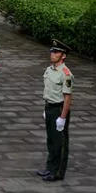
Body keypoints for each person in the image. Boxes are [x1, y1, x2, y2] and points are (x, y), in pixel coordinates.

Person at [38, 39, 73, 181]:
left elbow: (67, 98)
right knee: (51, 140)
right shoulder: (49, 70)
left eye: (56, 52)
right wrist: (45, 108)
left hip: (59, 109)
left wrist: (63, 117)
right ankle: (49, 167)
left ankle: (58, 172)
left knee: (60, 142)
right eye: (52, 51)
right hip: (50, 106)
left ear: (63, 55)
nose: (52, 54)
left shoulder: (66, 74)